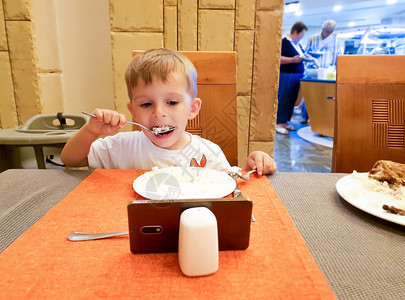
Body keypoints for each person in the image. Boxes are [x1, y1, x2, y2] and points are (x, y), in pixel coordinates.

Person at [61, 48, 277, 175]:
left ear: (192, 109)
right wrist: (91, 132)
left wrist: (253, 165)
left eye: (172, 102)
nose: (158, 113)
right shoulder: (121, 147)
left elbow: (231, 184)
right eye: (146, 105)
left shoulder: (208, 153)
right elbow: (70, 159)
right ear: (133, 112)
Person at [276, 21, 307, 135]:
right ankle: (278, 122)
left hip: (297, 75)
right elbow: (277, 58)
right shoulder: (285, 43)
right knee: (284, 98)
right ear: (295, 32)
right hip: (286, 74)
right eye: (301, 34)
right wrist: (292, 60)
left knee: (291, 99)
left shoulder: (297, 45)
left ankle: (285, 121)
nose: (302, 37)